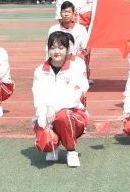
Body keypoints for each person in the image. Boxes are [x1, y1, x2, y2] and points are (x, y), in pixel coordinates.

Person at [32, 31, 90, 167]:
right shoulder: (40, 71)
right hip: (48, 114)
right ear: (48, 49)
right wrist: (45, 112)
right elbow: (38, 97)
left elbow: (75, 95)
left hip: (74, 114)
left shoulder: (77, 66)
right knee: (45, 143)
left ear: (67, 49)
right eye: (52, 48)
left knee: (63, 115)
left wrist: (53, 107)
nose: (56, 51)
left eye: (61, 47)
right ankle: (54, 145)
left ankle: (71, 151)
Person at [48, 1, 90, 71]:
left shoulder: (81, 29)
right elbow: (48, 48)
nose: (66, 14)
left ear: (73, 14)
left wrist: (83, 51)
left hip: (76, 63)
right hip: (58, 63)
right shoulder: (53, 29)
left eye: (69, 12)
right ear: (60, 14)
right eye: (64, 12)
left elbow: (86, 48)